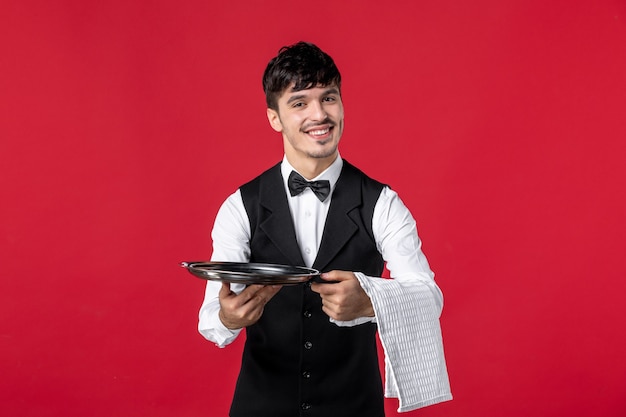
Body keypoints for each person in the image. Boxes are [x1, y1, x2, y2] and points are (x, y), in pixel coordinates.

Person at [198, 41, 451, 417]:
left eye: (328, 98)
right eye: (299, 103)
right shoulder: (240, 206)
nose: (319, 114)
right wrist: (228, 319)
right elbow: (211, 319)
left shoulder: (382, 202)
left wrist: (370, 301)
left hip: (354, 406)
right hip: (261, 406)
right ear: (275, 118)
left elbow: (429, 297)